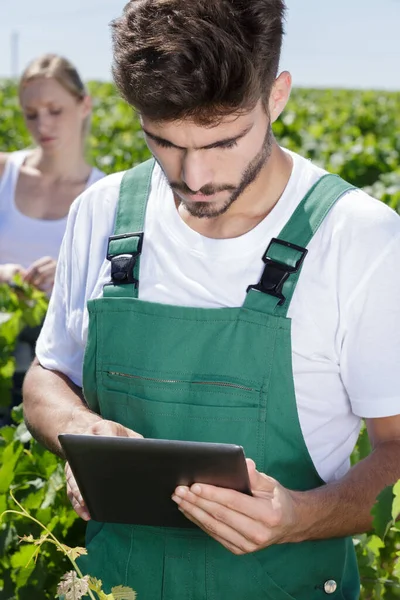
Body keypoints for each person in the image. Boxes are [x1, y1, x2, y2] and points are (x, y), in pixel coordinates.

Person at [23, 2, 400, 599]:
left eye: (223, 141)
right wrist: (81, 429)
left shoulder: (360, 237)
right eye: (164, 142)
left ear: (276, 97)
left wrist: (300, 515)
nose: (194, 176)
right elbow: (47, 373)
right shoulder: (101, 213)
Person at [0, 54, 104, 418]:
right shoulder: (3, 172)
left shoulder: (104, 195)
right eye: (31, 113)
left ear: (84, 105)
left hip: (56, 375)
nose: (42, 124)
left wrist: (69, 273)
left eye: (54, 110)